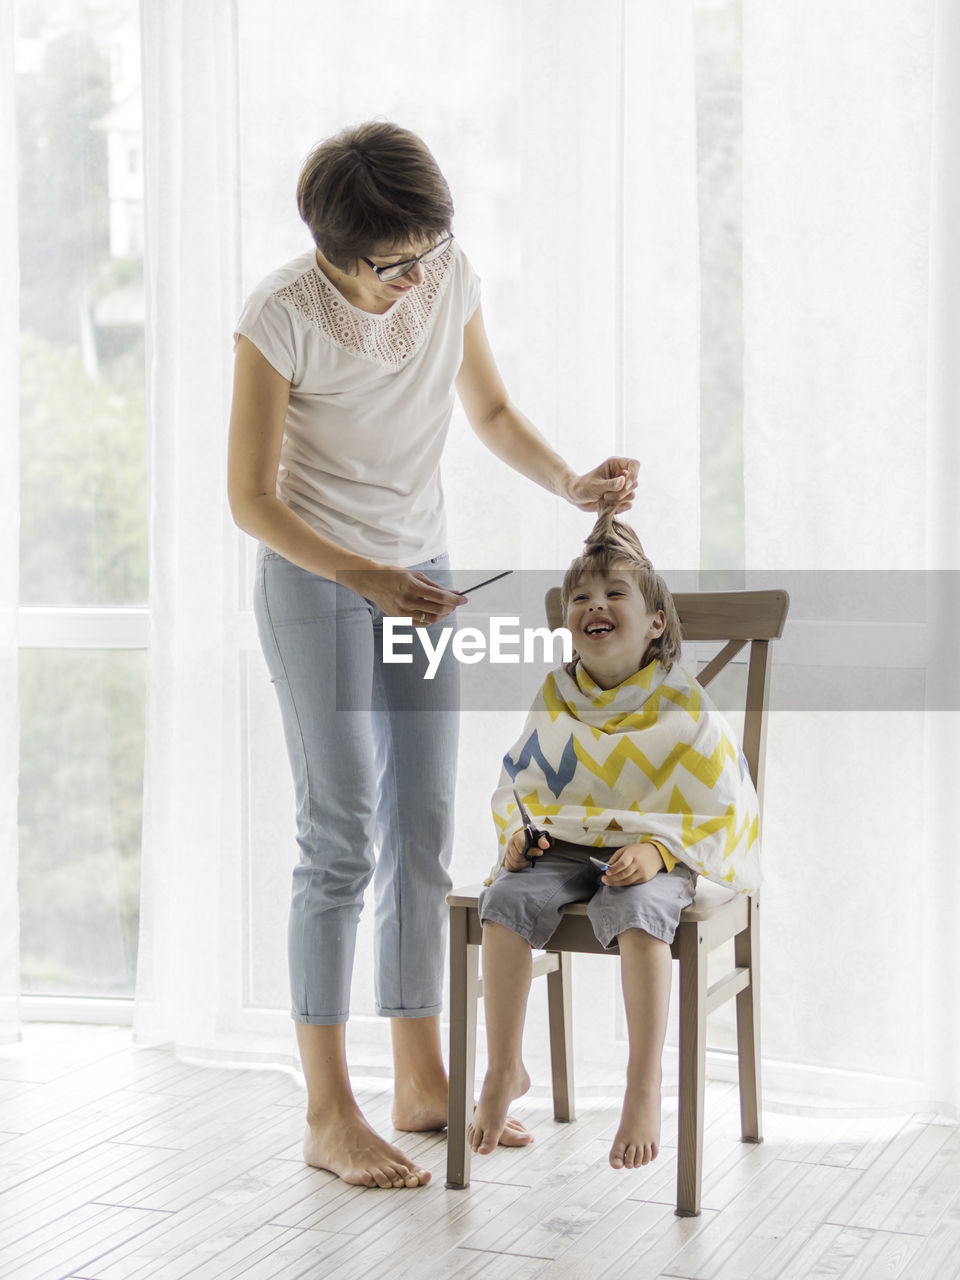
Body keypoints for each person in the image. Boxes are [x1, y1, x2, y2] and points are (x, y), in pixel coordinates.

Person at [227, 120, 639, 1190]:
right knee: (341, 829)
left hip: (423, 573)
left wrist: (570, 485)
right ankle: (328, 1108)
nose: (419, 278)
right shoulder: (281, 317)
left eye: (429, 251)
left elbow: (490, 408)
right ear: (333, 249)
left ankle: (421, 1075)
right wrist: (362, 574)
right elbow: (250, 498)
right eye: (393, 263)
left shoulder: (444, 271)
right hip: (319, 577)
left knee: (424, 824)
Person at [470, 508, 761, 1171]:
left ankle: (642, 1084)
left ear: (656, 622)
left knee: (636, 914)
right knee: (506, 901)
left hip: (655, 851)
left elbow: (720, 799)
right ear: (568, 623)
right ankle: (504, 1068)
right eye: (581, 598)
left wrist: (659, 852)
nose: (593, 605)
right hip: (564, 843)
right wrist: (519, 836)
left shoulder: (681, 702)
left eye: (613, 594)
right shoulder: (557, 693)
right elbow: (524, 779)